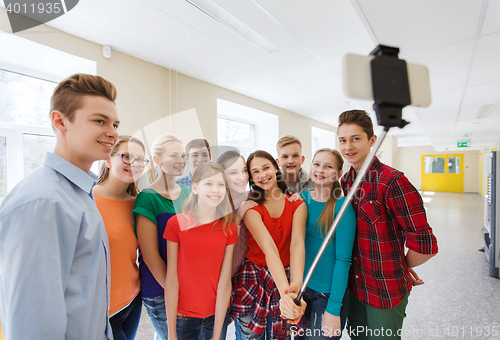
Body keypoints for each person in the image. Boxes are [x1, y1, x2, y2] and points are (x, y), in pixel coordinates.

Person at [0, 73, 119, 339]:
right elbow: (33, 328)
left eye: (115, 123)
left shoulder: (79, 193)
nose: (112, 132)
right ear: (60, 121)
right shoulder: (44, 202)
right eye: (100, 120)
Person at [337, 110, 438, 339]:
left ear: (372, 141)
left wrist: (400, 267)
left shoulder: (393, 181)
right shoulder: (345, 181)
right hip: (354, 288)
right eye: (343, 140)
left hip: (385, 292)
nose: (348, 147)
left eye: (356, 138)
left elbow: (425, 245)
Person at [230, 150, 307, 340]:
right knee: (251, 335)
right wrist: (285, 295)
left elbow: (297, 244)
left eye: (266, 168)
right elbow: (269, 249)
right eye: (255, 172)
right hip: (254, 280)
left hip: (286, 276)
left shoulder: (297, 204)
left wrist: (295, 287)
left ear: (276, 167)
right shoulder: (251, 207)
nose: (262, 175)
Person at [165, 163, 237, 340]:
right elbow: (172, 278)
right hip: (183, 317)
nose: (216, 190)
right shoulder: (176, 224)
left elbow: (224, 280)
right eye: (209, 184)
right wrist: (171, 332)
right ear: (195, 188)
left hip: (216, 316)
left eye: (221, 184)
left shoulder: (229, 228)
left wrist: (217, 333)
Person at [134, 135, 191, 340]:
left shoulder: (188, 192)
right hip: (160, 288)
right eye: (174, 155)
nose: (181, 160)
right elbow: (150, 256)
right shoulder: (147, 197)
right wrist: (175, 291)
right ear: (157, 160)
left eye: (183, 155)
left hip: (187, 284)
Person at [93, 135, 149, 340]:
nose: (135, 164)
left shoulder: (138, 203)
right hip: (103, 310)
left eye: (140, 159)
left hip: (133, 301)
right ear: (108, 159)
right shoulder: (88, 199)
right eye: (127, 156)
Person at [298, 148, 356, 340]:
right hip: (301, 291)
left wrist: (333, 309)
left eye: (328, 166)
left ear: (339, 174)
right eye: (317, 164)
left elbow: (343, 260)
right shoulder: (301, 200)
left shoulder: (342, 207)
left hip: (326, 296)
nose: (320, 170)